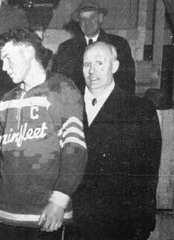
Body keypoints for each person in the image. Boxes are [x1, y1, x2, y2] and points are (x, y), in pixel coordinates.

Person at [0, 28, 87, 240]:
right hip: (6, 216)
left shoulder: (63, 88)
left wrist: (58, 202)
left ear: (28, 52)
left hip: (45, 217)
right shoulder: (6, 100)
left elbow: (75, 151)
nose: (4, 67)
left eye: (8, 58)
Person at [67, 41, 161, 240]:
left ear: (115, 67)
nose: (92, 71)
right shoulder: (69, 108)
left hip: (120, 223)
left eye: (100, 63)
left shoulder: (140, 110)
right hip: (76, 223)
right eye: (86, 65)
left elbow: (148, 172)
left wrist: (142, 224)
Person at [53, 0, 135, 94]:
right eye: (83, 19)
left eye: (92, 17)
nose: (87, 23)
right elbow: (59, 82)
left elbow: (128, 82)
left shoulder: (119, 45)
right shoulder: (66, 48)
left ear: (100, 18)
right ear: (79, 23)